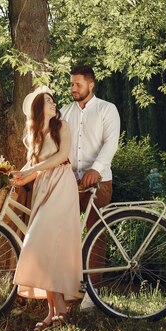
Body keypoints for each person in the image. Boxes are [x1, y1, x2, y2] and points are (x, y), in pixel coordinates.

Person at [12, 85, 83, 331]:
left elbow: (62, 156)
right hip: (43, 188)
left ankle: (60, 309)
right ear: (38, 107)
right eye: (49, 101)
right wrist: (16, 178)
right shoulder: (33, 136)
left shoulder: (62, 127)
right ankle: (53, 311)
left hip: (62, 186)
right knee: (44, 248)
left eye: (54, 100)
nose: (54, 104)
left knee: (41, 242)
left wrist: (31, 171)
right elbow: (33, 168)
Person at [61, 65, 120, 304]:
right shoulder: (65, 112)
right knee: (66, 232)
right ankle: (69, 286)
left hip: (100, 182)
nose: (73, 88)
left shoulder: (107, 109)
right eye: (71, 84)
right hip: (70, 183)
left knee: (96, 233)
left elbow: (111, 142)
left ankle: (93, 295)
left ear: (91, 84)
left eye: (78, 84)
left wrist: (96, 168)